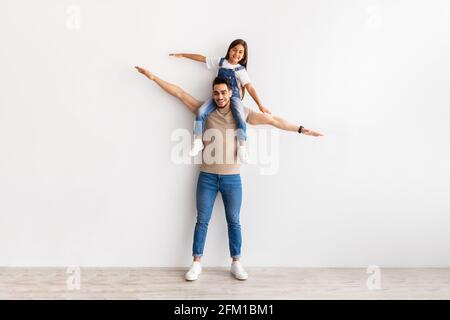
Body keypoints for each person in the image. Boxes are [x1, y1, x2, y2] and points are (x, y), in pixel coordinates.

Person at [135, 66, 323, 281]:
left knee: (234, 220)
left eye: (224, 92)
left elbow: (274, 121)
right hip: (206, 176)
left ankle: (236, 262)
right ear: (212, 93)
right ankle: (196, 263)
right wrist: (151, 76)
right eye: (216, 93)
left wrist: (300, 129)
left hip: (232, 179)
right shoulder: (204, 110)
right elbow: (178, 92)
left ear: (231, 92)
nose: (220, 97)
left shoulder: (242, 113)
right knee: (202, 220)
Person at [170, 39, 270, 163]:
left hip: (233, 97)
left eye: (240, 52)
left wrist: (260, 105)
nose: (237, 54)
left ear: (243, 56)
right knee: (201, 111)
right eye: (234, 50)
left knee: (240, 116)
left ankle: (242, 147)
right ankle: (197, 141)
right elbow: (202, 58)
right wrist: (183, 55)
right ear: (229, 50)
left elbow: (249, 87)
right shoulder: (221, 62)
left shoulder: (241, 70)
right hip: (218, 96)